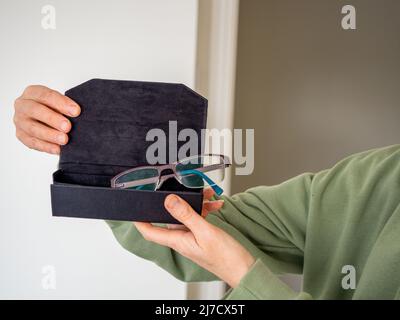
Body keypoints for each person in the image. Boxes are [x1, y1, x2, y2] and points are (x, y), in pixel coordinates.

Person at [13, 85, 400, 300]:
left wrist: (243, 275)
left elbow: (224, 249)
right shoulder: (374, 178)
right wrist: (77, 136)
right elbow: (213, 227)